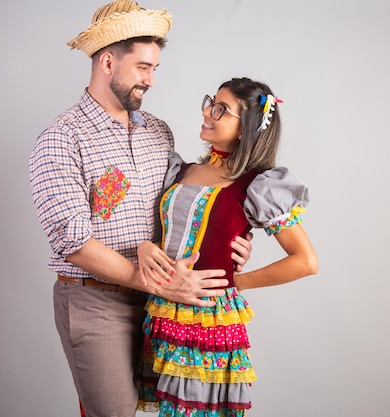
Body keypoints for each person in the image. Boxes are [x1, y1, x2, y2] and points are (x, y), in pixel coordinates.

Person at [28, 2, 253, 416]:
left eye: (155, 69)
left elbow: (181, 207)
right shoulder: (60, 139)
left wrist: (232, 238)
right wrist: (159, 284)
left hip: (161, 304)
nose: (151, 80)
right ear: (109, 62)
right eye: (143, 67)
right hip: (96, 302)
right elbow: (73, 242)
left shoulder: (157, 130)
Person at [135, 77, 319, 416]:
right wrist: (146, 248)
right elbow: (161, 232)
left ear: (244, 128)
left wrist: (234, 283)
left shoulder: (258, 184)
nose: (208, 112)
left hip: (208, 323)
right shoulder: (182, 170)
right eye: (211, 103)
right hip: (160, 311)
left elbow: (305, 261)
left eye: (222, 110)